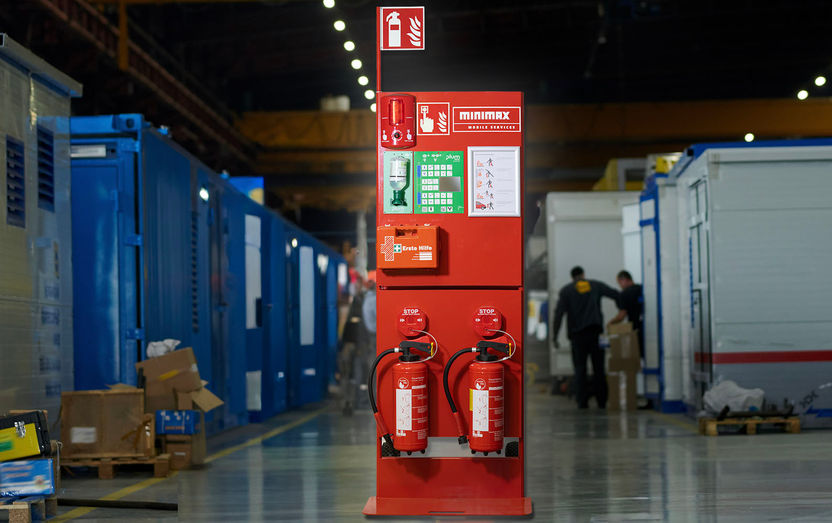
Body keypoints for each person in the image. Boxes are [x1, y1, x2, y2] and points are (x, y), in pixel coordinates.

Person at [552, 266, 620, 409]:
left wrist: (555, 336)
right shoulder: (595, 285)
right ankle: (602, 402)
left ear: (572, 277)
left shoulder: (566, 290)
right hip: (596, 334)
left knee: (580, 369)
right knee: (599, 369)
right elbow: (616, 294)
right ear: (583, 274)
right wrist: (623, 310)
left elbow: (558, 315)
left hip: (577, 337)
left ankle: (582, 402)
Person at [608, 270, 644, 357]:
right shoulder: (642, 289)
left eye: (619, 282)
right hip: (648, 329)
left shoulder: (624, 294)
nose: (620, 286)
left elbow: (622, 315)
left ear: (624, 280)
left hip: (635, 329)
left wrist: (611, 323)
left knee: (636, 356)